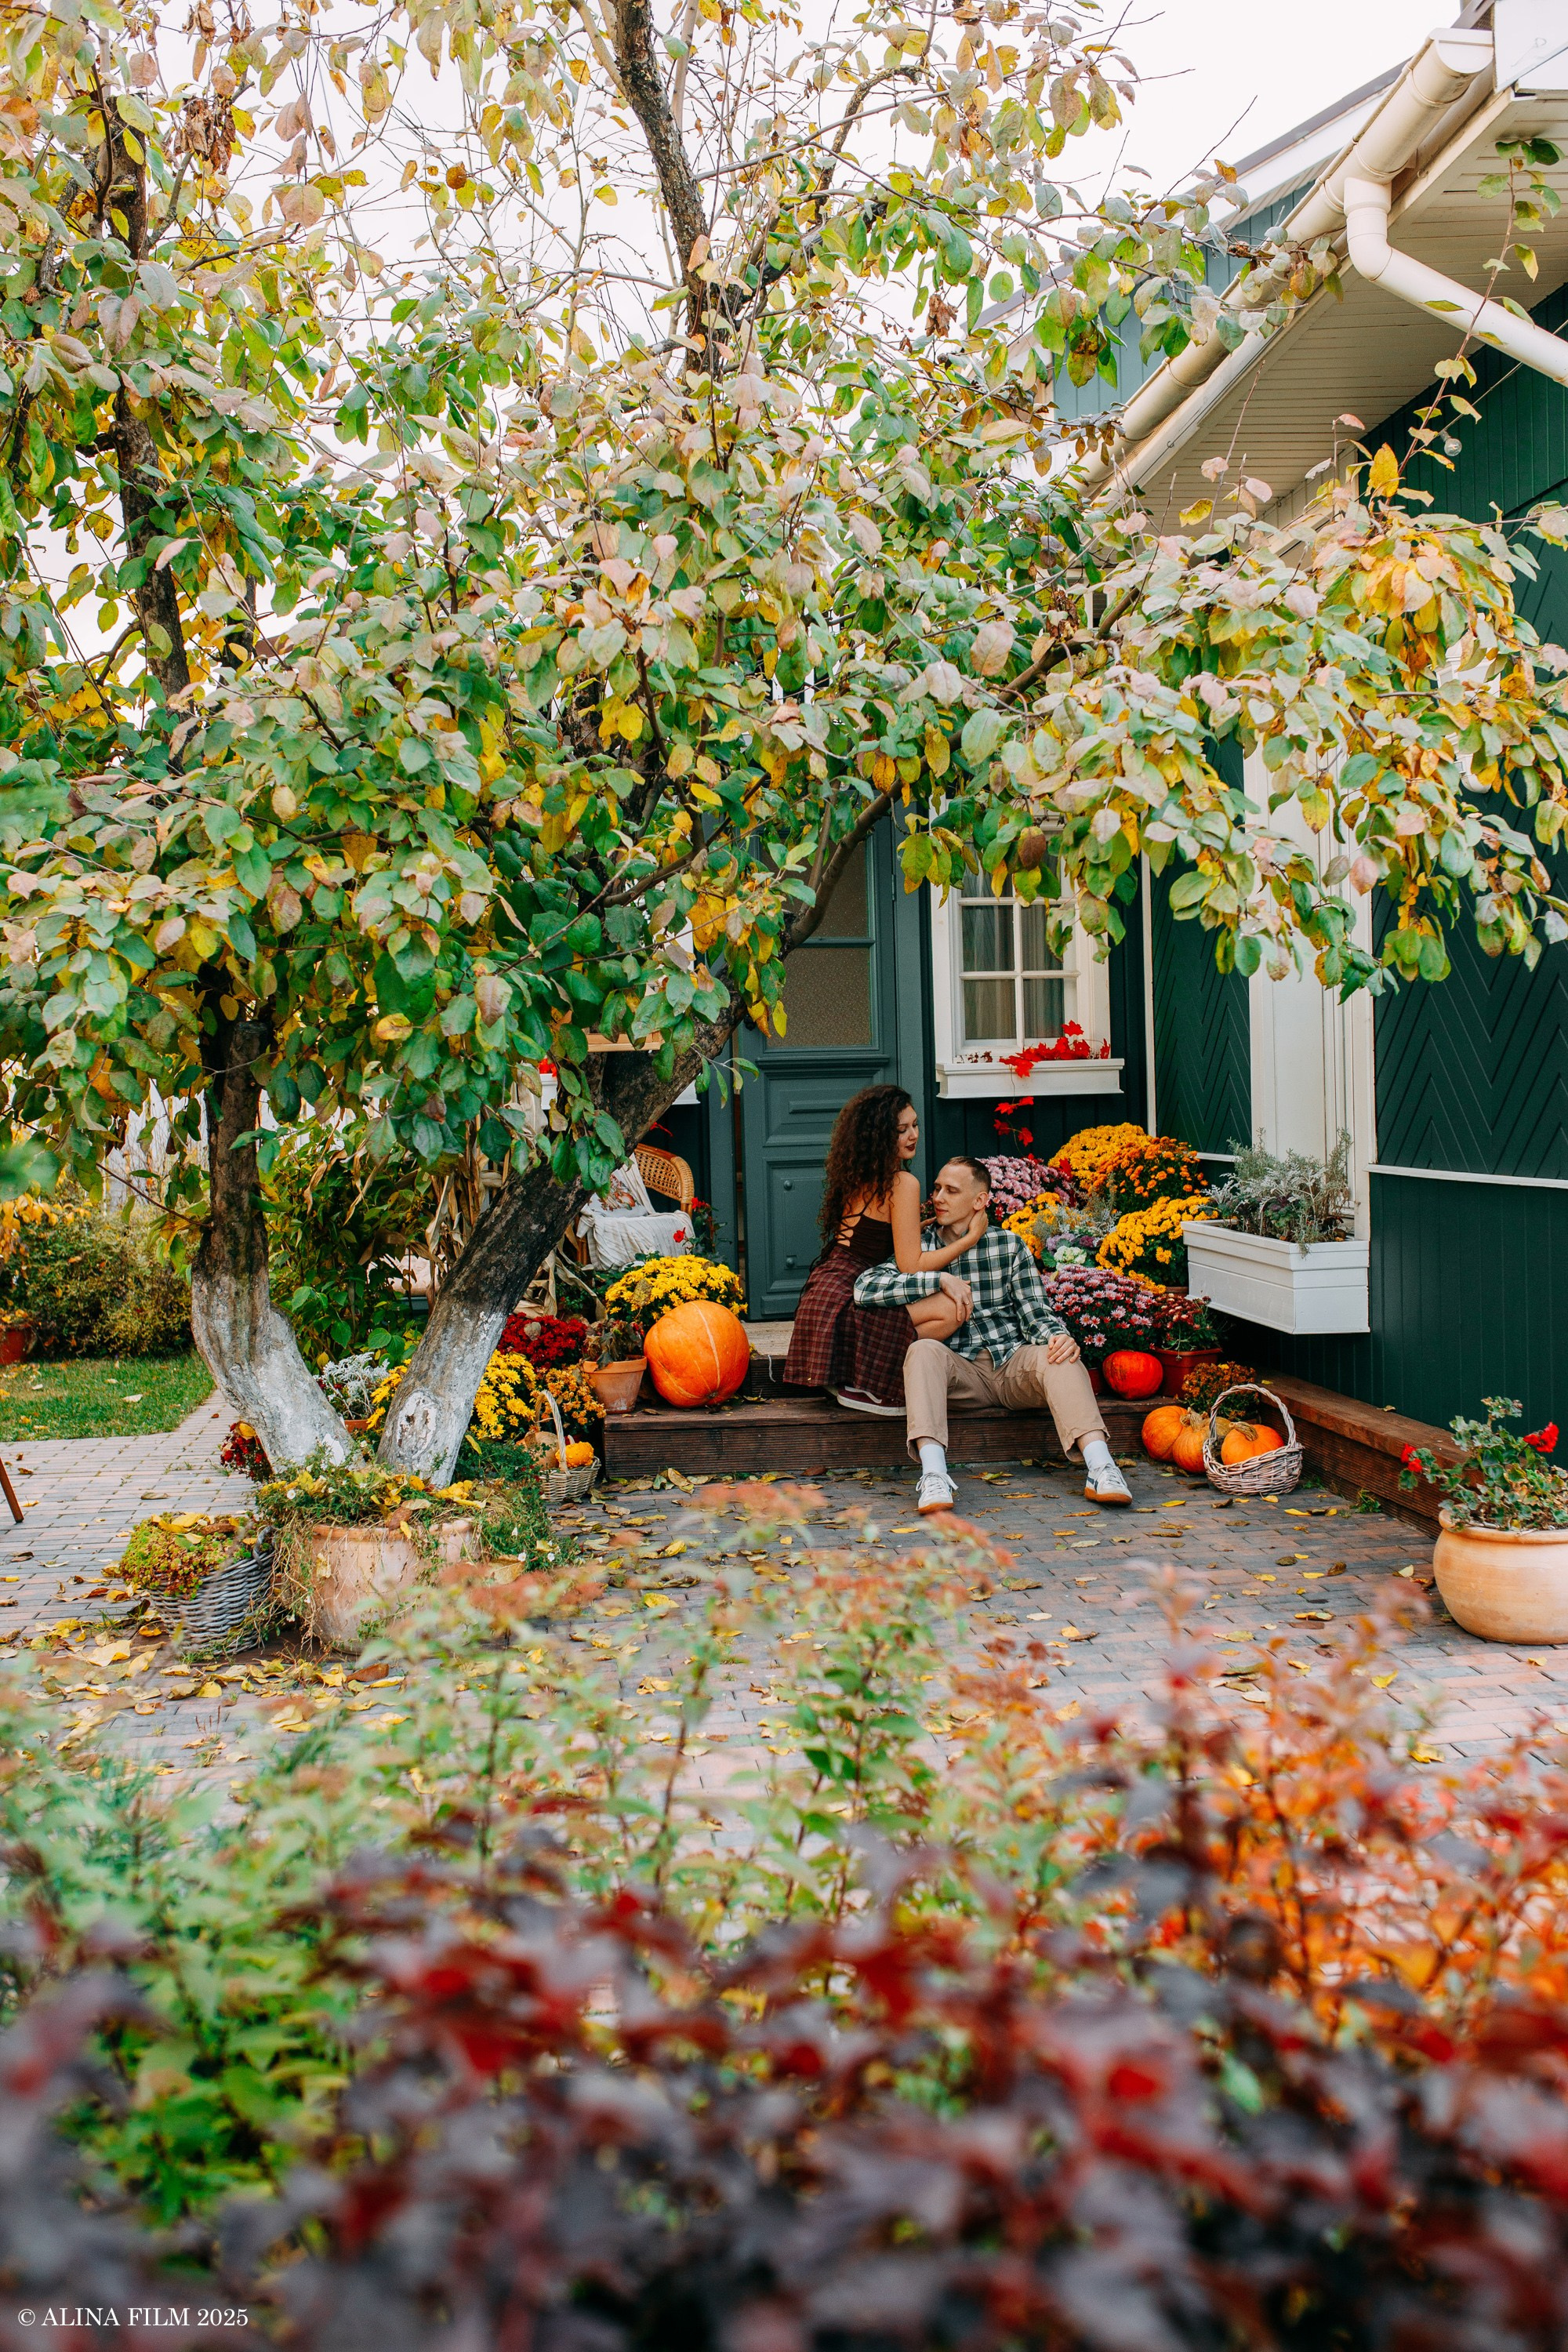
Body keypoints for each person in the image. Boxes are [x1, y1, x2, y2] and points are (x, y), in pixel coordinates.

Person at [852, 1153, 1133, 1515]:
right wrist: (936, 1279)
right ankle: (935, 1477)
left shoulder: (1009, 1246)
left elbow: (1036, 1313)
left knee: (1060, 1354)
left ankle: (1101, 1468)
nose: (937, 1197)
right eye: (936, 1188)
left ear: (980, 1201)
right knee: (922, 1351)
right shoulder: (919, 1248)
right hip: (959, 1371)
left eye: (951, 1191)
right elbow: (864, 1287)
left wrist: (1057, 1336)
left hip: (1012, 1363)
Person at [783, 1086, 985, 1415]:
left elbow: (872, 1238)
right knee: (952, 1309)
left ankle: (851, 1372)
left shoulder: (859, 1173)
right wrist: (968, 1239)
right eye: (900, 1130)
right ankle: (871, 1384)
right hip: (851, 1299)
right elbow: (910, 1265)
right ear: (879, 1135)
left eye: (914, 1125)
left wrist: (921, 1226)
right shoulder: (902, 1183)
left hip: (825, 1295)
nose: (912, 1136)